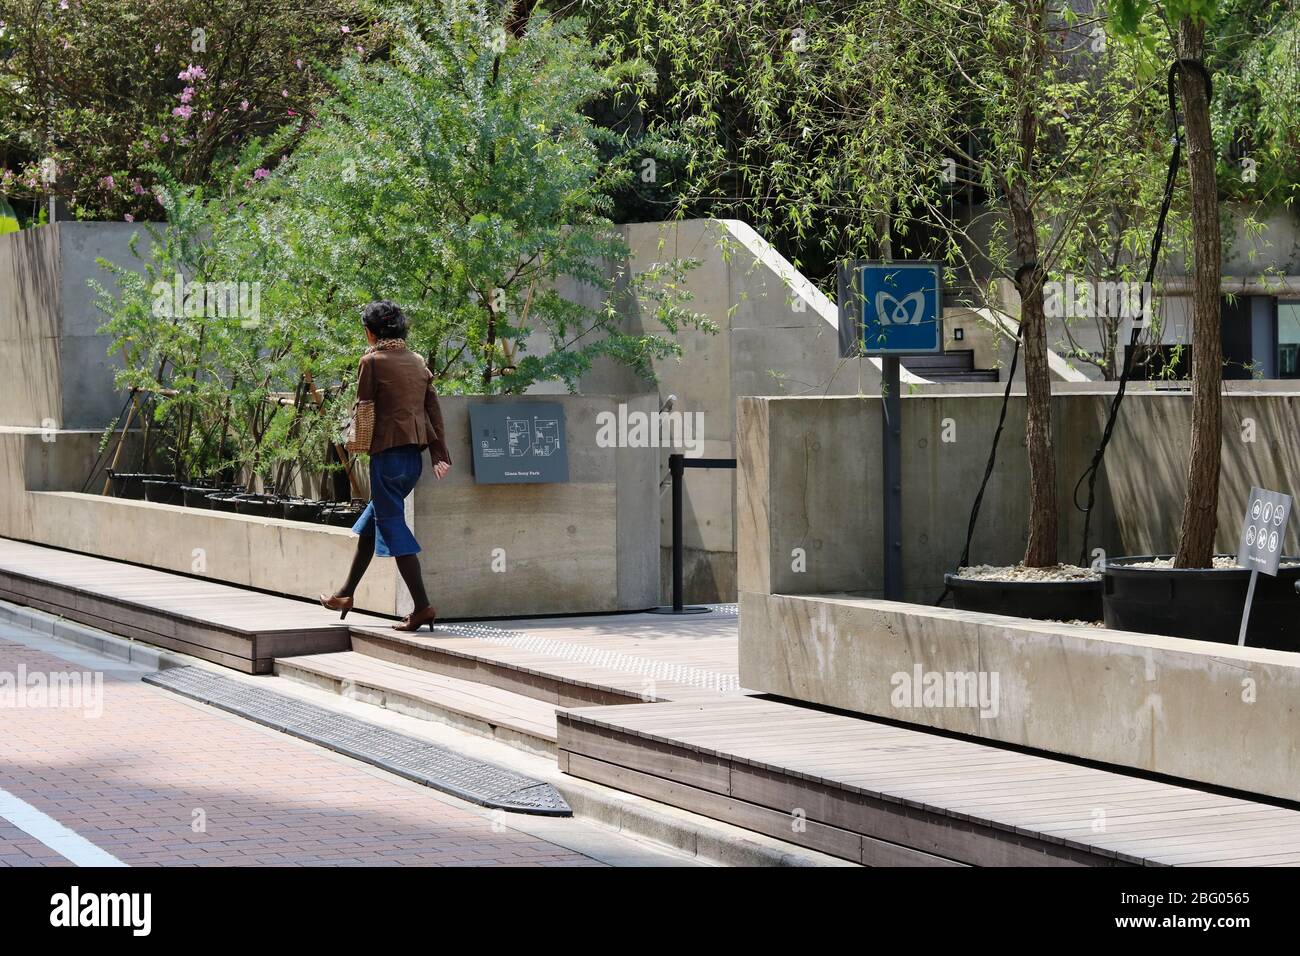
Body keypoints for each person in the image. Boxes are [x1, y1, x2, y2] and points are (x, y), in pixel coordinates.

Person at [320, 301, 451, 631]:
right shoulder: (418, 362)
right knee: (373, 523)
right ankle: (345, 593)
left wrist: (356, 443)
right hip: (412, 461)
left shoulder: (372, 361)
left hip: (387, 457)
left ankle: (422, 607)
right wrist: (440, 454)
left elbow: (364, 408)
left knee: (392, 526)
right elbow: (432, 409)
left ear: (370, 332)